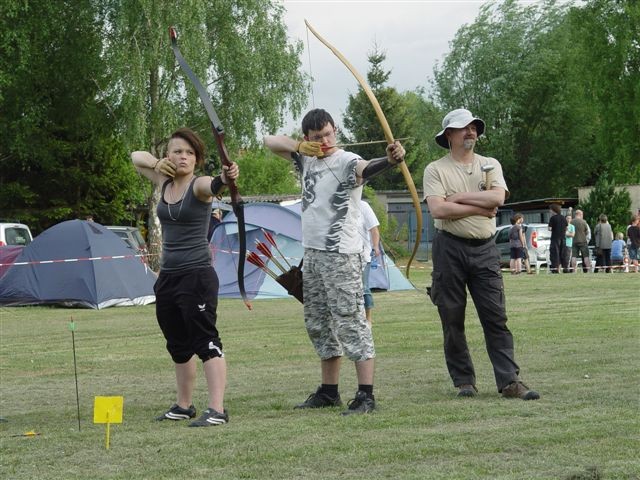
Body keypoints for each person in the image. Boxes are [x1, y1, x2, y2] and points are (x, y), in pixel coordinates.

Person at [263, 108, 406, 415]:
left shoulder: (346, 160)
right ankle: (329, 392)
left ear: (335, 131)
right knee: (318, 323)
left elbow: (366, 169)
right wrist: (300, 148)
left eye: (328, 134)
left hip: (342, 254)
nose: (325, 141)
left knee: (351, 321)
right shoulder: (305, 159)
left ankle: (366, 395)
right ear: (307, 139)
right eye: (317, 138)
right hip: (313, 254)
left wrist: (391, 160)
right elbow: (269, 140)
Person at [423, 108, 539, 401]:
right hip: (448, 247)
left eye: (474, 127)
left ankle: (510, 381)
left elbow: (498, 198)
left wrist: (459, 198)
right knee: (451, 316)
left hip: (485, 249)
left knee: (495, 316)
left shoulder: (490, 164)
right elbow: (438, 209)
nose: (471, 132)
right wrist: (481, 207)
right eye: (464, 128)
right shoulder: (435, 169)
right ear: (449, 134)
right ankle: (464, 382)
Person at [131, 127, 239, 427]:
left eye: (189, 153)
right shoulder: (164, 180)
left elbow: (214, 184)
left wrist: (226, 178)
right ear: (168, 155)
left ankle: (217, 410)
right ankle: (184, 405)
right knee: (177, 344)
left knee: (206, 341)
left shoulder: (198, 185)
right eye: (177, 151)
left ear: (197, 159)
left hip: (197, 277)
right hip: (168, 277)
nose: (183, 157)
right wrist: (155, 164)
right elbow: (135, 157)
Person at [359, 200, 381, 324]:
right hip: (344, 257)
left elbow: (374, 229)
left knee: (364, 288)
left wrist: (376, 246)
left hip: (363, 256)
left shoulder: (364, 206)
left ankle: (368, 318)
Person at [547, 204, 567, 274]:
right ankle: (564, 268)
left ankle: (555, 269)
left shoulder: (553, 218)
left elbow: (549, 228)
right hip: (563, 238)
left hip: (555, 238)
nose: (550, 211)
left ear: (553, 210)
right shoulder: (563, 218)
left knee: (555, 254)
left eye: (550, 210)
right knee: (563, 253)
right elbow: (566, 227)